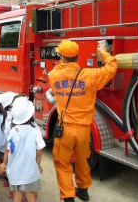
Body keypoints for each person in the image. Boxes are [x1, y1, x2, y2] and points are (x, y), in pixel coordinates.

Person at [48, 40, 117, 202]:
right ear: (77, 56)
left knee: (62, 162)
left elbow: (55, 69)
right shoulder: (90, 75)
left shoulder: (55, 76)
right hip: (84, 129)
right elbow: (111, 67)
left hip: (64, 129)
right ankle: (83, 190)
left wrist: (63, 63)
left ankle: (68, 196)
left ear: (62, 58)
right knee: (82, 159)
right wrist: (104, 52)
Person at [1, 97, 46, 202]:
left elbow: (7, 150)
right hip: (30, 170)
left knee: (17, 196)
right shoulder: (35, 132)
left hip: (14, 171)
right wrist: (38, 165)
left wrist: (4, 163)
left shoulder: (12, 132)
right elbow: (39, 152)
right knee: (31, 196)